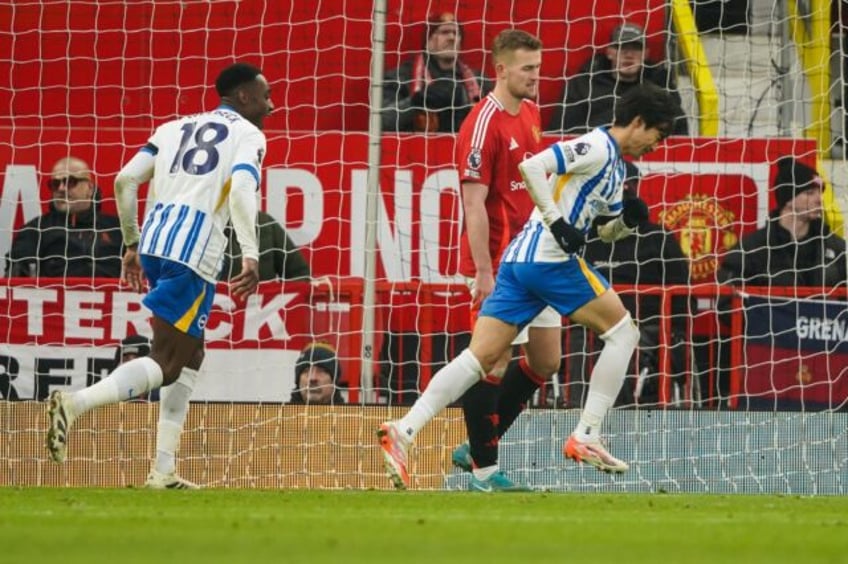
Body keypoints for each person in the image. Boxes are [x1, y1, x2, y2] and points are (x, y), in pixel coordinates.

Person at [377, 82, 679, 489]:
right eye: (656, 137)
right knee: (623, 333)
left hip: (519, 263)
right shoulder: (597, 146)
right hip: (548, 260)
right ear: (639, 122)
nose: (655, 147)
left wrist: (627, 221)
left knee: (478, 359)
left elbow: (604, 233)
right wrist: (557, 222)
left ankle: (404, 430)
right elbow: (532, 167)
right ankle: (586, 433)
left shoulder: (617, 169)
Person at [45, 62, 273, 491]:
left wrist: (131, 243)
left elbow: (124, 180)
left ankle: (163, 471)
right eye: (265, 95)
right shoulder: (248, 134)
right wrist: (251, 254)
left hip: (156, 244)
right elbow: (243, 187)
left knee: (192, 354)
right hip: (195, 252)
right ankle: (74, 404)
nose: (271, 105)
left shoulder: (172, 128)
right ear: (243, 97)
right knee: (167, 363)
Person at [448, 29, 561, 492]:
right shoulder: (481, 124)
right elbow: (473, 204)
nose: (536, 76)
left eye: (538, 67)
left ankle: (477, 444)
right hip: (499, 262)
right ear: (501, 69)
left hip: (538, 255)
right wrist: (483, 272)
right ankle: (485, 471)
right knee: (491, 362)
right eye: (528, 69)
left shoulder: (531, 112)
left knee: (546, 360)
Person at [575, 161, 692, 406]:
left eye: (630, 185)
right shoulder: (584, 237)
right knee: (577, 339)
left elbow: (683, 296)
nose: (626, 191)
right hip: (588, 327)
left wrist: (672, 331)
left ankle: (618, 420)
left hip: (644, 330)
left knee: (625, 338)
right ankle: (579, 412)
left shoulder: (657, 238)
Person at [719, 157, 847, 288]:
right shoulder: (750, 249)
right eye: (810, 193)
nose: (819, 200)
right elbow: (727, 300)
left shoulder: (838, 249)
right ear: (788, 199)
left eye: (820, 193)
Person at [547, 22, 688, 136]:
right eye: (622, 47)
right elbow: (560, 131)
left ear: (645, 54)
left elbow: (680, 130)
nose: (629, 55)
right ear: (609, 53)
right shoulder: (584, 84)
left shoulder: (660, 85)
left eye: (636, 48)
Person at [5, 156, 123, 278]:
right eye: (55, 184)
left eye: (70, 182)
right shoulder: (35, 230)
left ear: (90, 188)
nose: (61, 189)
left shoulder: (119, 229)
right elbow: (15, 277)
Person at [381, 12, 488, 133]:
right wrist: (417, 101)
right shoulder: (401, 77)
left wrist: (463, 98)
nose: (452, 38)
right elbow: (381, 121)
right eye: (444, 32)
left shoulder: (480, 81)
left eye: (456, 33)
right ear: (428, 41)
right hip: (417, 149)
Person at [219, 210, 310, 281]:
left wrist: (279, 299)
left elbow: (299, 273)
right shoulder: (206, 227)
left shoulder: (264, 223)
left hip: (261, 303)